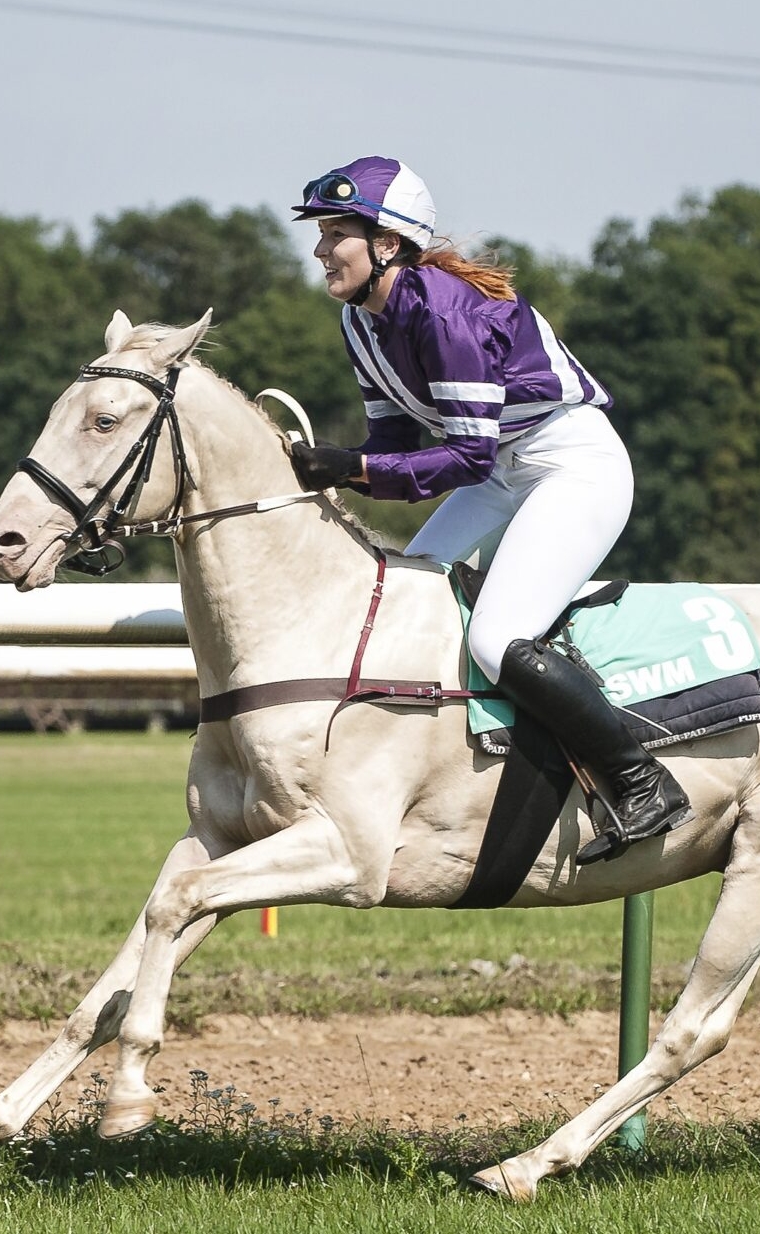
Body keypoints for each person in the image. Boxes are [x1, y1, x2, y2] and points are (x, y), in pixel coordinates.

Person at [285, 156, 689, 864]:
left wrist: (350, 469)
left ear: (386, 243)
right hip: (503, 468)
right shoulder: (361, 321)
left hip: (572, 466)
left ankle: (641, 782)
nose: (320, 250)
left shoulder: (444, 311)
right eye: (319, 234)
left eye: (334, 233)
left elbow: (462, 459)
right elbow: (395, 443)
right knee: (408, 599)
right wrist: (348, 466)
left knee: (495, 639)